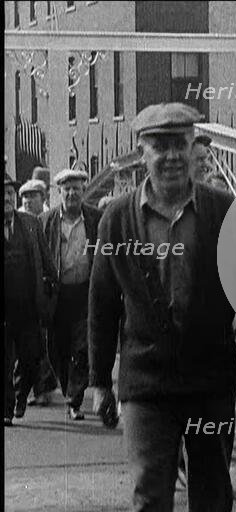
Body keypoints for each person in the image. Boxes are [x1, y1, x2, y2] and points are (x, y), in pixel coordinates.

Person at [89, 102, 236, 512]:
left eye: (180, 145)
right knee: (150, 494)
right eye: (160, 146)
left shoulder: (222, 212)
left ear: (193, 149)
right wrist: (100, 380)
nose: (172, 156)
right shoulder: (117, 221)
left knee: (211, 493)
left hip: (209, 382)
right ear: (143, 154)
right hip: (146, 385)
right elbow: (102, 303)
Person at [41, 169, 102, 420]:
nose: (72, 193)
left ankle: (75, 398)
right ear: (59, 192)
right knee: (58, 348)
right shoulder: (46, 221)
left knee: (83, 347)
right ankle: (68, 390)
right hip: (57, 294)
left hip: (86, 292)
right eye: (66, 189)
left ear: (83, 190)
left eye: (76, 188)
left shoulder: (96, 218)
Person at [4, 172, 57, 425]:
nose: (6, 197)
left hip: (28, 308)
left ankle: (21, 394)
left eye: (9, 193)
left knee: (31, 358)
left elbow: (47, 261)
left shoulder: (30, 223)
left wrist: (52, 291)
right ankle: (6, 408)